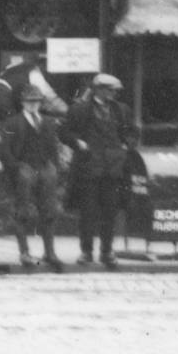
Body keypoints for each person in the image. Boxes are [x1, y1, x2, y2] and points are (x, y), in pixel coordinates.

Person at [0, 72, 70, 272]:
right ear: (23, 103)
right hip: (23, 172)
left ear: (40, 103)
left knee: (49, 212)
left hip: (44, 170)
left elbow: (53, 149)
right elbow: (2, 150)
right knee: (23, 212)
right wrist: (17, 167)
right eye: (29, 102)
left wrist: (54, 167)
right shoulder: (12, 123)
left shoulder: (48, 123)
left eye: (36, 102)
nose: (33, 105)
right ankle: (24, 252)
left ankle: (50, 253)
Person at [65, 72, 143, 270]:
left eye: (114, 91)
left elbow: (133, 132)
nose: (113, 94)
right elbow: (64, 132)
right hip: (89, 167)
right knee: (88, 211)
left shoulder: (121, 110)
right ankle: (87, 251)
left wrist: (127, 146)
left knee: (110, 211)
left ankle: (107, 251)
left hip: (114, 169)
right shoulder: (80, 109)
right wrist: (78, 142)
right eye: (110, 90)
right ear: (98, 90)